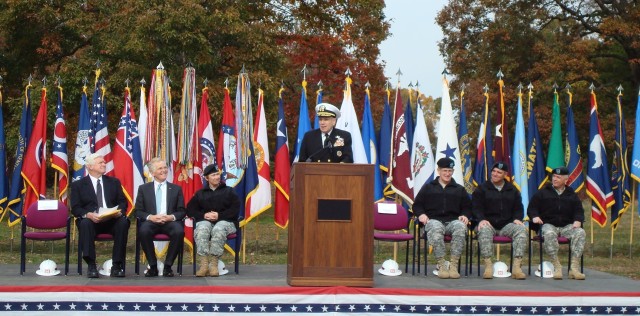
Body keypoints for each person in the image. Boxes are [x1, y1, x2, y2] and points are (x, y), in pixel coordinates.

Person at [70, 153, 129, 278]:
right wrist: (88, 215)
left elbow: (123, 202)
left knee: (123, 222)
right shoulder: (78, 185)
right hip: (92, 221)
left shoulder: (114, 182)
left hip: (112, 220)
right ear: (90, 166)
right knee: (85, 223)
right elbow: (75, 208)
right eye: (100, 162)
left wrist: (119, 212)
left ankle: (117, 265)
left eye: (104, 162)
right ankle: (91, 265)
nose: (104, 164)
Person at [413, 157, 471, 279]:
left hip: (453, 221)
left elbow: (467, 207)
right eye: (444, 170)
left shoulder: (459, 189)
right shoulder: (428, 187)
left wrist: (465, 215)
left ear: (453, 171)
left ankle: (454, 265)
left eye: (450, 171)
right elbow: (417, 205)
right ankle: (442, 264)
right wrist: (421, 214)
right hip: (433, 220)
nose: (447, 173)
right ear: (438, 171)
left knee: (461, 227)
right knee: (434, 227)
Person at [528, 166, 586, 280]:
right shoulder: (543, 192)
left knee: (580, 232)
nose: (554, 179)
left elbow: (579, 210)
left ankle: (574, 268)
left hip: (566, 226)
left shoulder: (571, 194)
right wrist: (535, 216)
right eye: (554, 176)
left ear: (566, 180)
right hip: (548, 224)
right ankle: (557, 266)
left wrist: (578, 220)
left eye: (558, 177)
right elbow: (532, 208)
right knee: (549, 233)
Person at [472, 161, 527, 280]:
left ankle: (517, 268)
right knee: (484, 230)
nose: (495, 174)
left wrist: (518, 219)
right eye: (494, 171)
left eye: (499, 172)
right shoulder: (482, 189)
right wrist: (481, 219)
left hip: (506, 225)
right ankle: (488, 266)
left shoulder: (512, 190)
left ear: (505, 174)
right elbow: (476, 207)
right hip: (488, 223)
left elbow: (518, 208)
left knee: (521, 230)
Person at [134, 158, 186, 277]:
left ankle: (168, 266)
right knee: (144, 231)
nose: (164, 170)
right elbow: (138, 211)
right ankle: (152, 266)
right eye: (160, 168)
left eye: (164, 167)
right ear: (152, 173)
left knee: (179, 231)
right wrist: (151, 217)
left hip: (169, 222)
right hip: (152, 221)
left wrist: (171, 217)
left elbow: (182, 211)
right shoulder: (143, 189)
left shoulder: (176, 189)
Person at [187, 164, 240, 277]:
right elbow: (190, 210)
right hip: (207, 221)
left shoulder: (229, 191)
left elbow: (235, 210)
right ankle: (204, 264)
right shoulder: (200, 193)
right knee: (201, 228)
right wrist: (204, 215)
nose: (216, 177)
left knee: (219, 228)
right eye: (213, 175)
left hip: (227, 222)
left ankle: (214, 264)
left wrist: (219, 216)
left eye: (217, 174)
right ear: (206, 178)